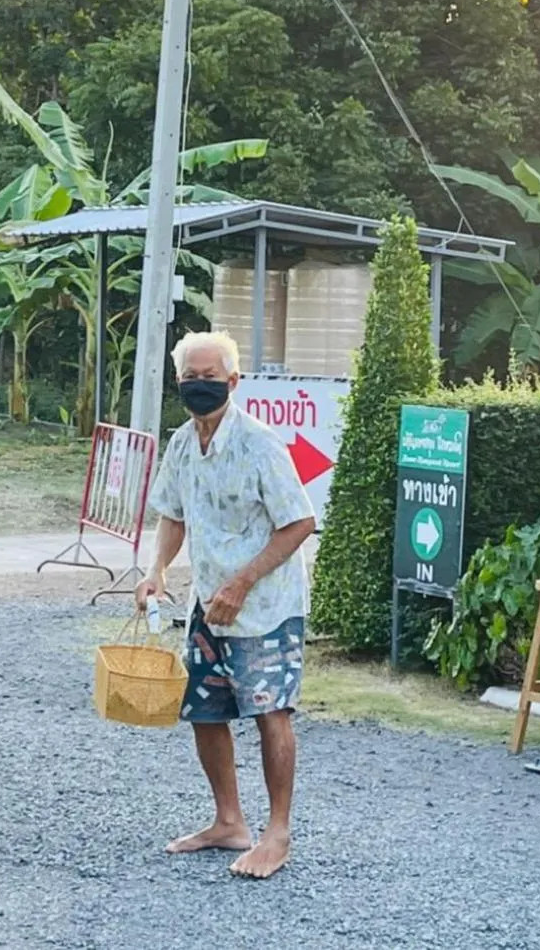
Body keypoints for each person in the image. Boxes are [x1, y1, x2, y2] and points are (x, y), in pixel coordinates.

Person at [137, 330, 317, 880]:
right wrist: (158, 569)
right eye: (190, 378)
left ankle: (277, 833)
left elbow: (300, 522)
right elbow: (174, 514)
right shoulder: (181, 443)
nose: (199, 387)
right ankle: (229, 822)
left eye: (210, 378)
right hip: (208, 602)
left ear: (234, 382)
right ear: (177, 382)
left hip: (264, 605)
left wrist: (241, 583)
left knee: (271, 713)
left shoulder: (260, 443)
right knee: (206, 712)